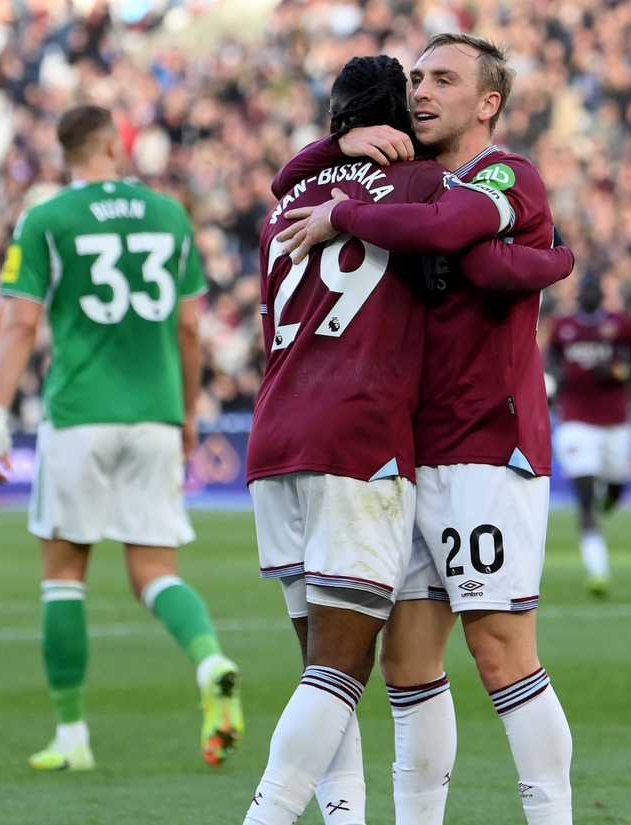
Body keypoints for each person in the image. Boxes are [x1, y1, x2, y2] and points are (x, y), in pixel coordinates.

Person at [244, 50, 575, 825]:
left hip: (486, 446)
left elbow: (470, 250)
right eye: (416, 80)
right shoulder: (408, 174)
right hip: (403, 456)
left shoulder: (503, 174)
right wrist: (340, 153)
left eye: (444, 80)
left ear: (489, 103)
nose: (424, 91)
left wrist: (342, 198)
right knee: (406, 664)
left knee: (499, 653)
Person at [0, 104, 241, 773]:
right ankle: (210, 657)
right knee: (154, 571)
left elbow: (19, 325)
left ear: (65, 151)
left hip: (80, 414)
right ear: (113, 147)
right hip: (154, 413)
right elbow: (189, 329)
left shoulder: (46, 220)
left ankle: (72, 736)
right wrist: (185, 413)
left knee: (64, 576)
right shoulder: (169, 215)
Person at [547, 276, 631, 596]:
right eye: (584, 289)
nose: (589, 294)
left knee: (615, 487)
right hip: (576, 421)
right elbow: (551, 360)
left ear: (602, 294)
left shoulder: (622, 325)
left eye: (593, 289)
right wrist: (553, 382)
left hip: (615, 421)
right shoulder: (562, 326)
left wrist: (618, 372)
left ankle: (606, 501)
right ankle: (597, 570)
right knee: (585, 498)